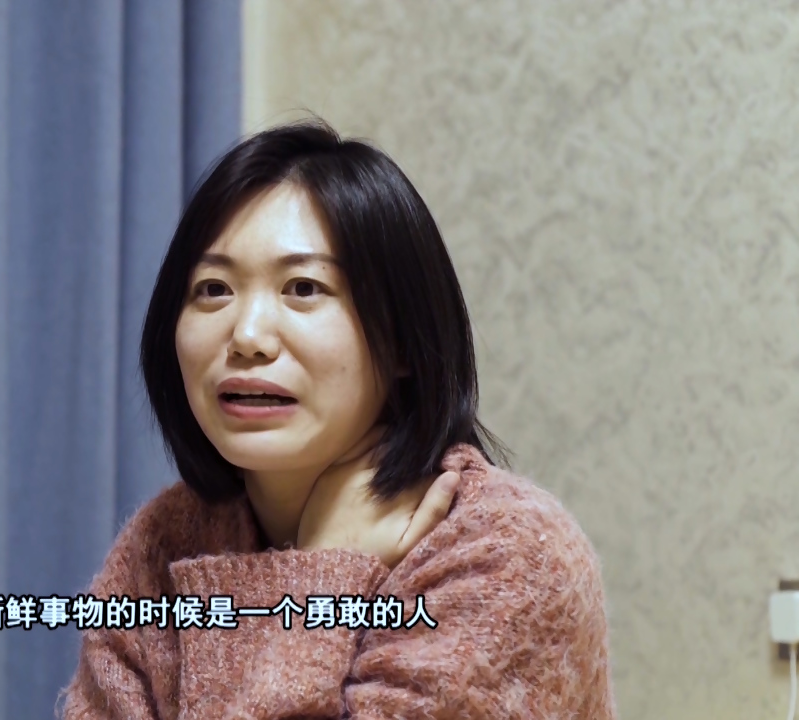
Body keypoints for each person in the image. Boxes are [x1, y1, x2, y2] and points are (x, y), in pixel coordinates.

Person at [57, 120, 616, 719]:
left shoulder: (502, 554)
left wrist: (318, 586)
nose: (246, 336)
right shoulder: (163, 544)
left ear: (402, 340)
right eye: (213, 289)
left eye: (303, 287)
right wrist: (325, 571)